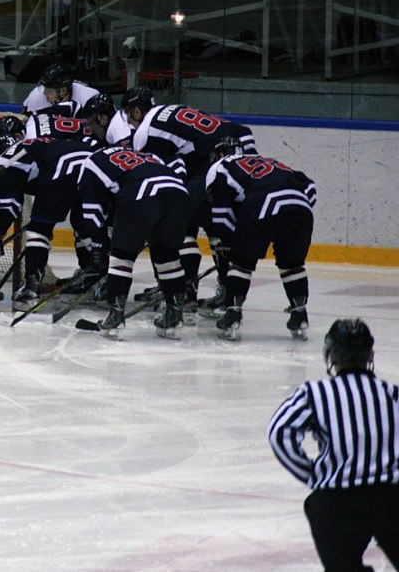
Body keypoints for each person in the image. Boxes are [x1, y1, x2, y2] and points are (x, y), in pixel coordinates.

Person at [268, 319, 399, 570]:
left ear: (330, 355)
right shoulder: (392, 394)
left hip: (338, 503)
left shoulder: (314, 394)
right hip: (391, 500)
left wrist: (311, 474)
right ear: (369, 355)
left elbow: (279, 432)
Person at [130, 96, 258, 319]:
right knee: (216, 224)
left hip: (211, 164)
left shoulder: (144, 133)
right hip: (238, 154)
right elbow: (242, 132)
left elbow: (152, 178)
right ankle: (227, 292)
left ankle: (184, 293)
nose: (130, 124)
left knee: (180, 223)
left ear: (137, 112)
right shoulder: (171, 111)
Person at [202, 138, 317, 341]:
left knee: (241, 263)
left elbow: (221, 214)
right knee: (292, 264)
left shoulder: (221, 166)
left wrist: (229, 245)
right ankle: (300, 314)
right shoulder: (270, 161)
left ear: (220, 154)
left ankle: (232, 314)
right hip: (301, 207)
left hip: (263, 203)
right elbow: (310, 187)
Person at [74, 146, 192, 339]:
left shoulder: (90, 164)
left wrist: (98, 243)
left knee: (121, 257)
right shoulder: (147, 155)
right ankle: (173, 315)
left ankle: (115, 317)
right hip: (179, 193)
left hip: (142, 192)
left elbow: (93, 209)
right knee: (167, 256)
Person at [0, 133, 98, 311]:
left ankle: (30, 290)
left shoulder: (3, 161)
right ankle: (94, 277)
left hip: (63, 167)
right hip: (96, 163)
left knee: (39, 229)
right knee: (84, 222)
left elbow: (7, 204)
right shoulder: (33, 145)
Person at [20, 63, 100, 116]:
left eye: (49, 90)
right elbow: (24, 121)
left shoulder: (89, 99)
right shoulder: (36, 96)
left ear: (63, 91)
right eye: (44, 87)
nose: (44, 92)